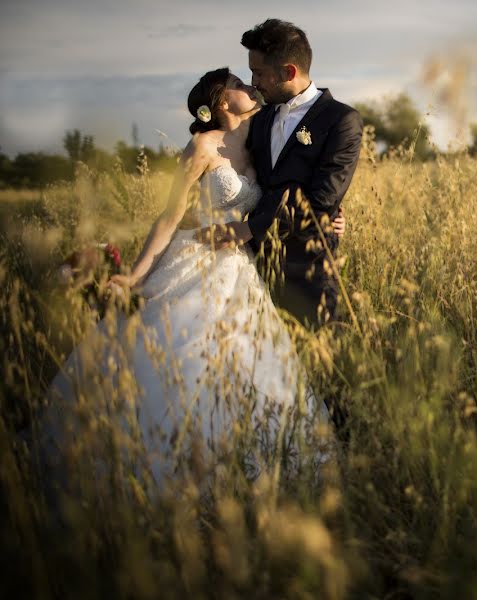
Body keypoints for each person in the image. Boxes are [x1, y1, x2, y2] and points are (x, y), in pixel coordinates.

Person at [39, 68, 334, 487]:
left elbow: (295, 192)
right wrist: (136, 275)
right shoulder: (201, 147)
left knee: (245, 358)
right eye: (237, 81)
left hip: (239, 267)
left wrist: (329, 218)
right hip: (193, 256)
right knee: (183, 351)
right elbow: (169, 217)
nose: (249, 85)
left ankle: (242, 453)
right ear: (220, 101)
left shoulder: (259, 142)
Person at [196, 18, 363, 330]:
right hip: (250, 267)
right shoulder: (259, 118)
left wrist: (250, 229)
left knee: (315, 365)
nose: (253, 81)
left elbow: (321, 200)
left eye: (259, 73)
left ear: (288, 72)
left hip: (306, 269)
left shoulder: (341, 120)